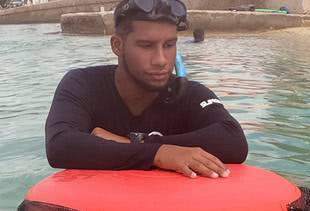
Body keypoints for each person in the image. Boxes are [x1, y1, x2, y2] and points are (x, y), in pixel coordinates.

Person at [44, 0, 247, 177]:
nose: (160, 60)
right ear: (117, 46)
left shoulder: (188, 93)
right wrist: (160, 154)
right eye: (146, 46)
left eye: (169, 45)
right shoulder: (82, 84)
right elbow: (60, 146)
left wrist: (136, 143)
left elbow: (233, 141)